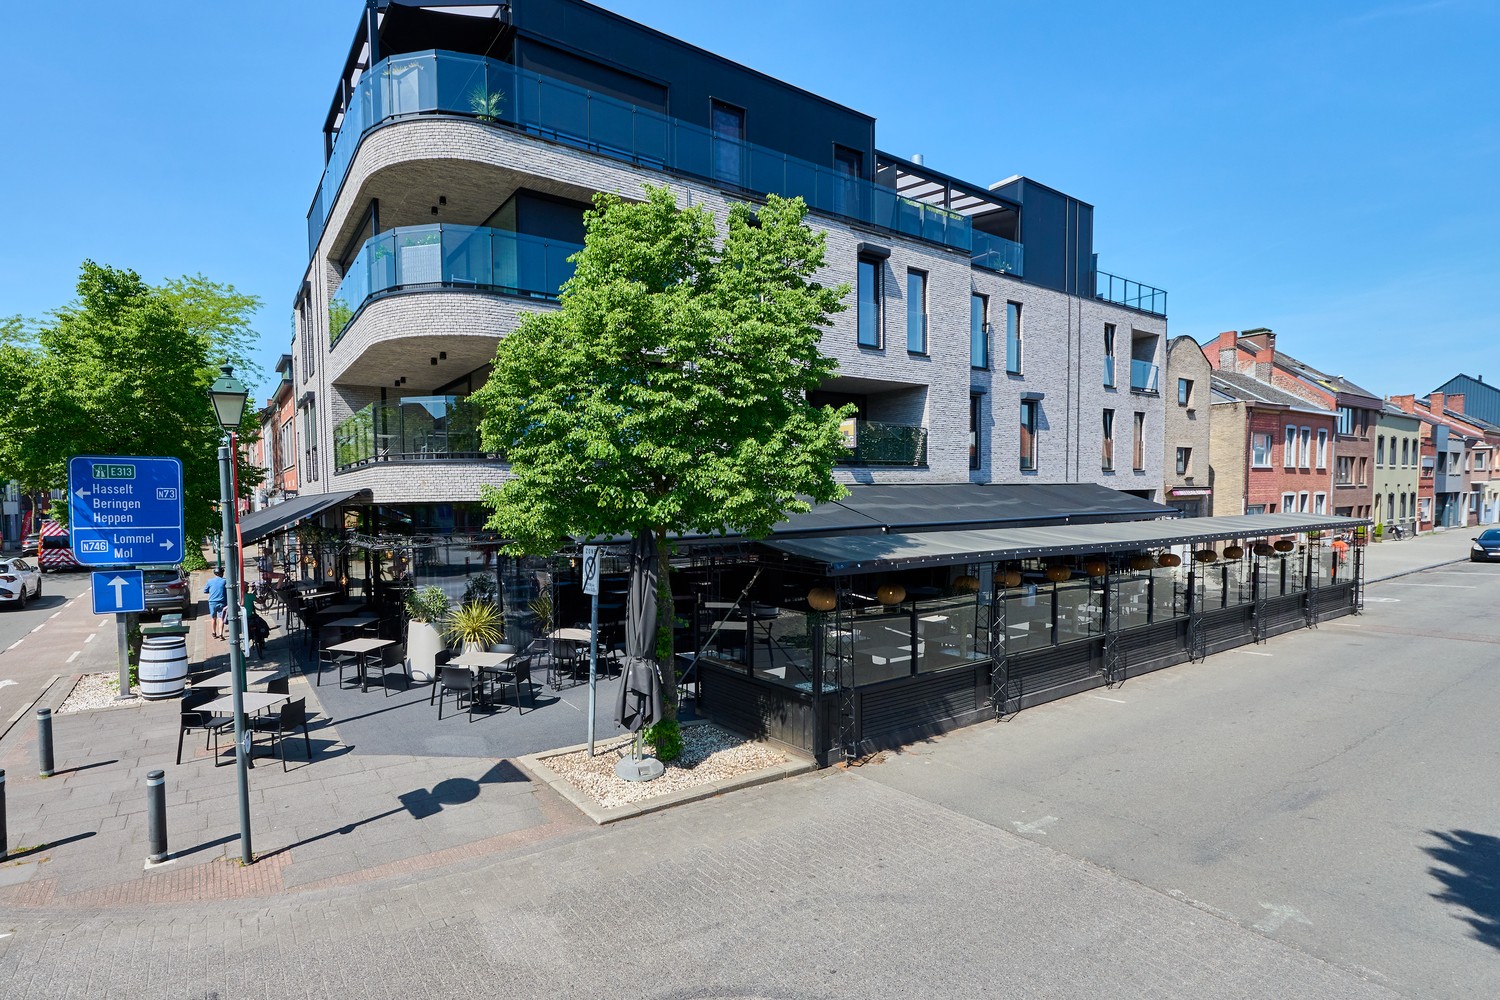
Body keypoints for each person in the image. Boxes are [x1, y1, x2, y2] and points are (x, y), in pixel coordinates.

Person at [205, 568, 228, 640]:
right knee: (221, 618)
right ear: (222, 573)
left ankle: (214, 632)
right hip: (222, 602)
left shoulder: (210, 581)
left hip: (212, 602)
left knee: (213, 618)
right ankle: (221, 633)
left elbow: (205, 591)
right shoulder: (225, 581)